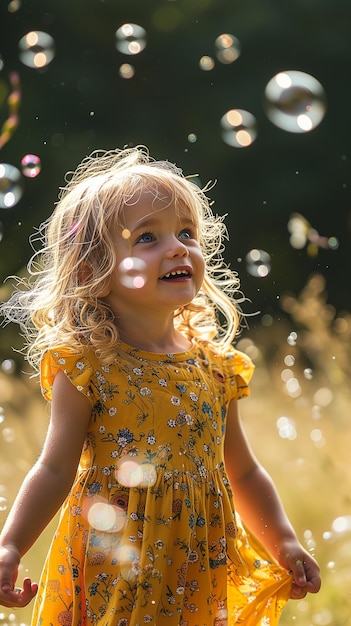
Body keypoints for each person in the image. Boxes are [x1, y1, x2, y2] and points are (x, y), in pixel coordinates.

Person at [0, 146, 320, 626]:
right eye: (147, 237)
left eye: (186, 233)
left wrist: (285, 541)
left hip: (199, 563)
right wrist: (10, 544)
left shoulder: (216, 367)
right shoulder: (89, 365)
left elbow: (244, 471)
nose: (177, 248)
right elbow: (53, 469)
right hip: (116, 561)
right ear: (93, 271)